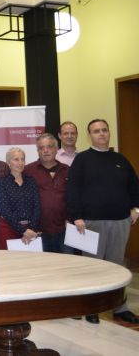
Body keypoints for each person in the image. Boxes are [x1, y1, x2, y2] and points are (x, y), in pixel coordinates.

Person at [67, 118, 139, 324]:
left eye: (104, 130)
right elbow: (73, 190)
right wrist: (77, 216)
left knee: (117, 267)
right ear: (90, 135)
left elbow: (135, 186)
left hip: (120, 222)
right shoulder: (82, 160)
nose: (101, 134)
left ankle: (119, 307)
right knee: (93, 267)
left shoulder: (121, 159)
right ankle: (92, 308)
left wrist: (136, 209)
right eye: (96, 131)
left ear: (109, 133)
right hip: (91, 223)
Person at [24, 134, 72, 253]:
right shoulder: (28, 171)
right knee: (43, 268)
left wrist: (71, 218)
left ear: (56, 149)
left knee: (67, 266)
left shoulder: (67, 170)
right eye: (41, 148)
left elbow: (74, 197)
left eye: (49, 147)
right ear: (38, 151)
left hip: (64, 229)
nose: (45, 151)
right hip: (38, 230)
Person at [0, 147, 41, 250]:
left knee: (29, 264)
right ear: (8, 162)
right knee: (10, 264)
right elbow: (5, 210)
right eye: (16, 159)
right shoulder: (3, 183)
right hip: (8, 229)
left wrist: (30, 230)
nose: (20, 163)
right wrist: (23, 231)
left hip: (30, 229)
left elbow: (37, 207)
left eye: (22, 159)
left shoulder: (31, 181)